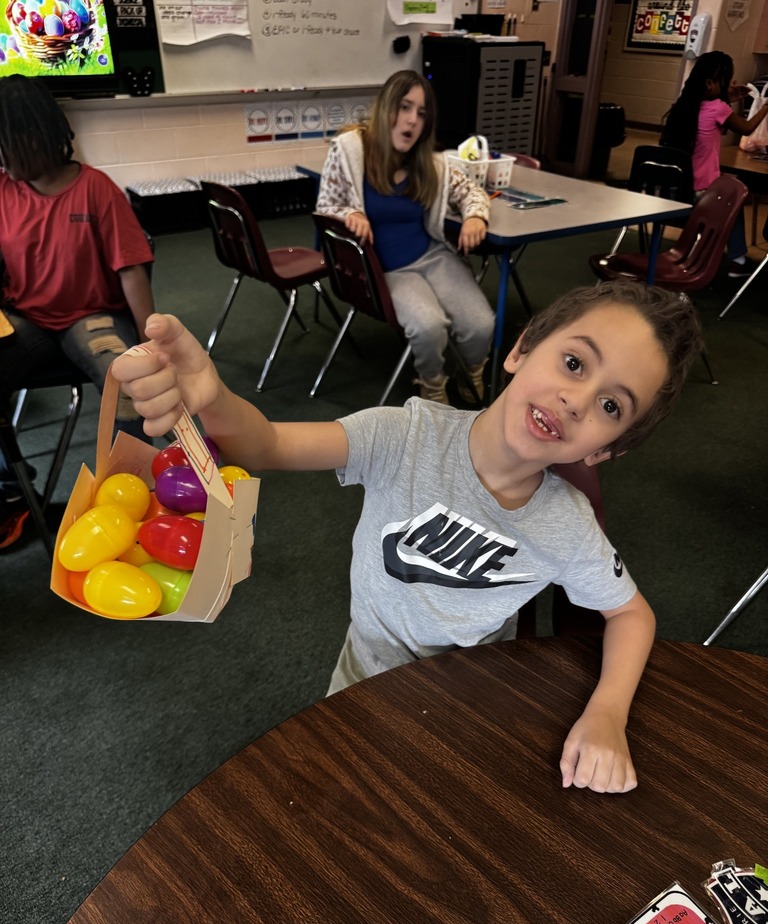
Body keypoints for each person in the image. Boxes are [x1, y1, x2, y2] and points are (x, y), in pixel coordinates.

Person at [112, 280, 703, 795]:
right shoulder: (404, 436)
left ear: (605, 450)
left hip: (469, 700)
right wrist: (212, 399)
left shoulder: (566, 524)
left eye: (609, 405)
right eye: (574, 363)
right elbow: (265, 444)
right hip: (360, 672)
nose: (575, 401)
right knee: (337, 789)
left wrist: (607, 713)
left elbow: (632, 614)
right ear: (521, 349)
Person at [0, 75, 155, 548]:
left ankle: (132, 495)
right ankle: (11, 486)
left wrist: (151, 344)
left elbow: (131, 271)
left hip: (90, 317)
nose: (1, 159)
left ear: (34, 139)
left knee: (130, 382)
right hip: (27, 319)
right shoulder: (4, 190)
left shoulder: (96, 189)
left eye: (4, 147)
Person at [315, 70, 494, 407]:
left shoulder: (431, 163)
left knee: (481, 324)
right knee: (429, 326)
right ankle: (432, 385)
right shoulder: (351, 150)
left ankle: (471, 373)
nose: (412, 120)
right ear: (386, 109)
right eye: (405, 107)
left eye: (422, 113)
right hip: (387, 270)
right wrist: (349, 214)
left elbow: (471, 191)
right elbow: (326, 207)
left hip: (431, 256)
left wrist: (474, 215)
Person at [660, 50, 768, 279]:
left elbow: (711, 113)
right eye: (728, 81)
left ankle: (736, 258)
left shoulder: (683, 107)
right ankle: (738, 261)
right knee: (734, 197)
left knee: (731, 196)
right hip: (701, 193)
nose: (733, 84)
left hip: (676, 190)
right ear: (710, 84)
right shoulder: (718, 108)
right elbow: (747, 128)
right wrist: (766, 107)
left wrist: (728, 97)